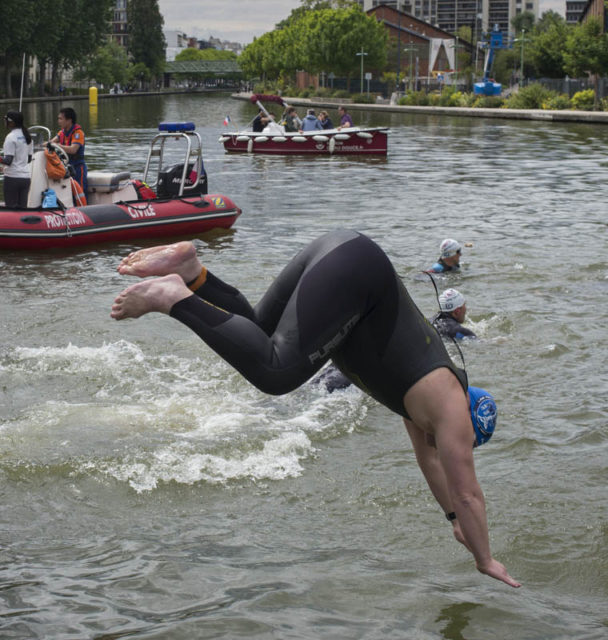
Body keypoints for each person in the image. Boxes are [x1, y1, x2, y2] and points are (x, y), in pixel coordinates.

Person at [110, 231, 520, 588]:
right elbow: (468, 491)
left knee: (259, 334)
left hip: (343, 250)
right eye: (463, 443)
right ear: (469, 424)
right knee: (275, 374)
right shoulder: (450, 410)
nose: (449, 447)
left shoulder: (428, 400)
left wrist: (452, 519)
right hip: (358, 273)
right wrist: (485, 559)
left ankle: (191, 272)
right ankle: (171, 297)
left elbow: (430, 466)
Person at [0, 111, 32, 208]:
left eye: (5, 120)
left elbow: (8, 161)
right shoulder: (28, 137)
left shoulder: (10, 137)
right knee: (22, 209)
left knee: (11, 210)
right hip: (26, 178)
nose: (4, 122)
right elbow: (28, 159)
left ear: (11, 123)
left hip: (12, 178)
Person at [54, 107, 87, 193]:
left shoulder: (78, 133)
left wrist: (57, 145)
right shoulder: (61, 133)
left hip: (78, 167)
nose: (59, 121)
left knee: (80, 191)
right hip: (67, 167)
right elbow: (51, 142)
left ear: (69, 120)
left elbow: (73, 149)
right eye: (58, 119)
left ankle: (83, 206)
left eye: (61, 119)